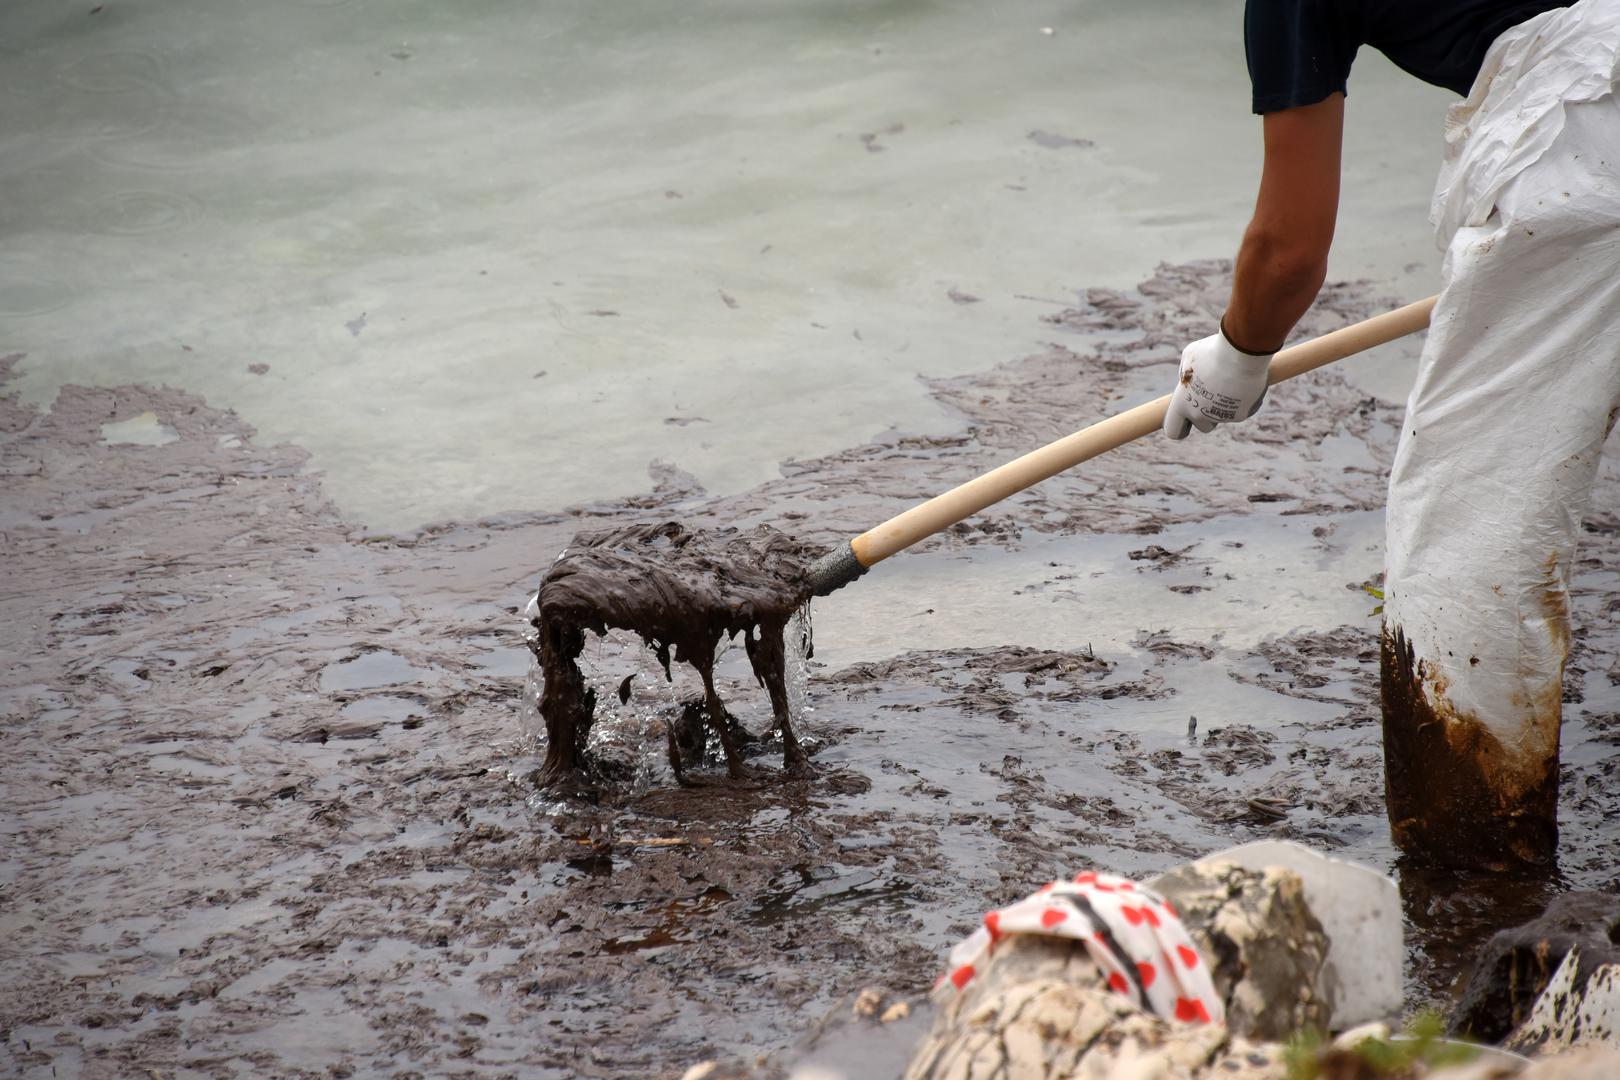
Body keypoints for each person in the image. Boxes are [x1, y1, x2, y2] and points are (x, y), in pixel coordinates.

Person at [1161, 0, 1620, 871]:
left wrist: (1239, 352)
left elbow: (1289, 250)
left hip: (1585, 136)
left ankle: (1474, 898)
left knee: (1464, 548)